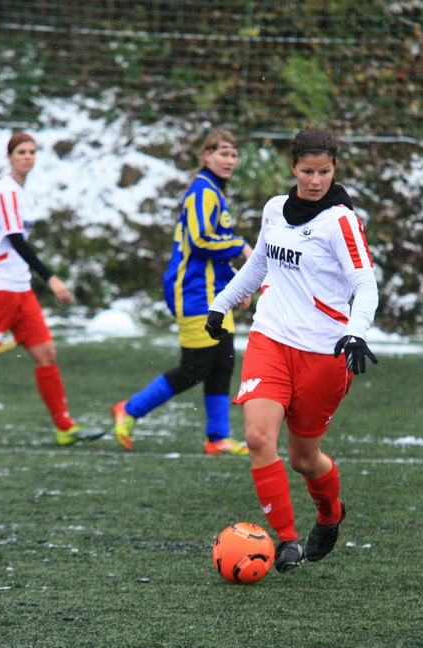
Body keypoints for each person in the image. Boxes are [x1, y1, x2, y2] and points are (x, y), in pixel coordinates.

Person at [205, 127, 380, 573]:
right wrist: (222, 303)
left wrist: (357, 332)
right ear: (293, 168)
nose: (315, 180)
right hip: (270, 338)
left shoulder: (341, 221)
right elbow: (259, 264)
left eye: (324, 172)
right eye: (307, 171)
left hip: (324, 352)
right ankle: (286, 539)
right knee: (258, 438)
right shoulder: (274, 210)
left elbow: (365, 284)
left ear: (334, 169)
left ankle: (330, 514)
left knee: (304, 459)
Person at [0, 133, 102, 447]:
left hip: (20, 288)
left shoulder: (24, 193)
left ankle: (65, 427)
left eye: (32, 152)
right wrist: (50, 278)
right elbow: (15, 240)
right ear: (9, 157)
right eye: (21, 152)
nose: (28, 157)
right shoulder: (6, 190)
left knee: (45, 353)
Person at [111, 129, 253, 455]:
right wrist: (242, 246)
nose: (230, 160)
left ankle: (217, 438)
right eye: (223, 153)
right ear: (207, 155)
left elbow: (213, 253)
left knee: (222, 365)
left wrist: (236, 284)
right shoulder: (202, 192)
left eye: (234, 155)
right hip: (194, 292)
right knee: (195, 368)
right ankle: (129, 410)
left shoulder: (213, 192)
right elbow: (201, 242)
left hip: (215, 292)